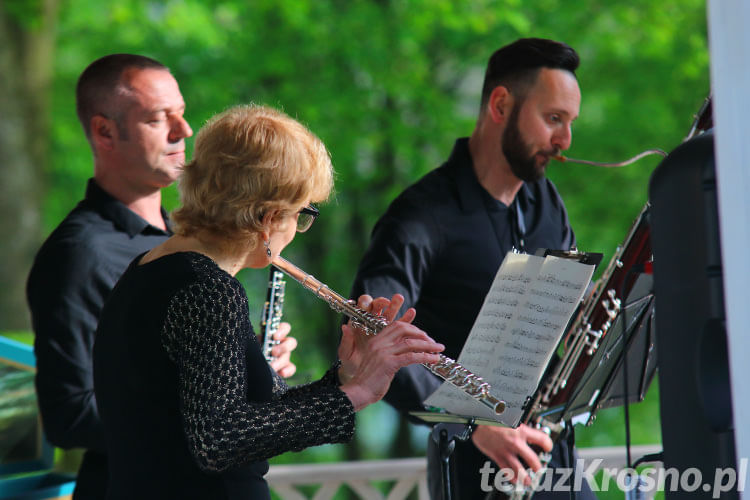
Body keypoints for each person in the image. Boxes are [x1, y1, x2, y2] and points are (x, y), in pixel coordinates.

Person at [91, 104, 445, 499]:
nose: (297, 230)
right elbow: (220, 441)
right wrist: (358, 393)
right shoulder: (208, 290)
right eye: (302, 214)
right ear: (269, 218)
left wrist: (344, 377)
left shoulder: (149, 267)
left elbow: (223, 421)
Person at [25, 54, 297, 499]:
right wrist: (211, 406)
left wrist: (254, 375)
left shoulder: (184, 239)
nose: (183, 131)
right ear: (104, 131)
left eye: (182, 113)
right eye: (157, 118)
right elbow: (69, 414)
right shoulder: (80, 254)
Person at [349, 38, 597, 499]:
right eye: (553, 119)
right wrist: (471, 422)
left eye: (569, 122)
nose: (565, 141)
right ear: (501, 104)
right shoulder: (421, 216)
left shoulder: (547, 203)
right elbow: (371, 330)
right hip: (472, 471)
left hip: (554, 458)